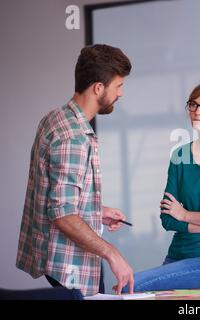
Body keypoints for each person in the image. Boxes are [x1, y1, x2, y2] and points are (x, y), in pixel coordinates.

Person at [16, 44, 135, 296]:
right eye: (119, 86)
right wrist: (113, 254)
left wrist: (96, 212)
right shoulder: (74, 137)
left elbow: (56, 196)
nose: (121, 93)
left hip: (54, 258)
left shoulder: (55, 118)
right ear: (98, 88)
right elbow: (62, 214)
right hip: (70, 265)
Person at [124, 81, 200, 292]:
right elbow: (167, 218)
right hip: (177, 255)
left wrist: (184, 215)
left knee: (131, 286)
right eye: (193, 104)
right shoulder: (180, 155)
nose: (197, 112)